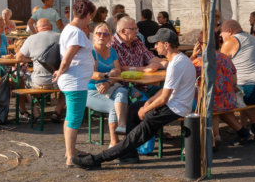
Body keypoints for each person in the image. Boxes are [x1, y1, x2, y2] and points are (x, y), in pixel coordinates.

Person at [73, 28, 196, 169]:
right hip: (174, 104)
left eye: (157, 43)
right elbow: (165, 90)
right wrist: (148, 102)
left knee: (136, 133)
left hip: (175, 108)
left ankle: (95, 160)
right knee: (133, 108)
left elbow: (165, 98)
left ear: (166, 45)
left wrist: (147, 109)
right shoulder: (180, 60)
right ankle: (129, 154)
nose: (155, 46)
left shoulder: (175, 65)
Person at [53, 0, 96, 168]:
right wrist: (59, 71)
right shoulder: (77, 32)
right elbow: (68, 58)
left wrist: (61, 71)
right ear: (88, 15)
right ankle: (70, 156)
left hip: (73, 80)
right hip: (75, 82)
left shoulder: (68, 29)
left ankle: (70, 150)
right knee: (75, 120)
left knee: (70, 117)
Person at [190, 31, 250, 152]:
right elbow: (234, 80)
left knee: (211, 104)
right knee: (216, 105)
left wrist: (192, 56)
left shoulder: (198, 62)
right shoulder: (225, 58)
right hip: (229, 100)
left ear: (200, 45)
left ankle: (213, 138)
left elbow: (185, 75)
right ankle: (222, 136)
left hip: (207, 102)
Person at [220, 19, 255, 142]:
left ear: (230, 31)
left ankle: (242, 132)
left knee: (221, 101)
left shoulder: (230, 42)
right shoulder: (253, 39)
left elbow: (220, 68)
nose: (220, 35)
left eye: (221, 32)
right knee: (242, 92)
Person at [86, 23, 130, 146]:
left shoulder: (112, 51)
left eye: (105, 34)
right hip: (91, 90)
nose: (102, 36)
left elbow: (118, 73)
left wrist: (108, 82)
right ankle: (114, 143)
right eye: (99, 33)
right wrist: (107, 75)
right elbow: (92, 74)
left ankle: (122, 124)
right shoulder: (91, 51)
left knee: (123, 91)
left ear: (109, 37)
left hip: (109, 86)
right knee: (113, 108)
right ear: (94, 36)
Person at [16, 18, 62, 122]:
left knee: (24, 80)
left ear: (36, 29)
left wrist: (33, 59)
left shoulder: (31, 39)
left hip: (38, 82)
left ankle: (37, 115)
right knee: (67, 85)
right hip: (58, 81)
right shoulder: (60, 36)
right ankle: (57, 112)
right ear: (51, 27)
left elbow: (18, 58)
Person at [112, 17, 165, 81]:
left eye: (136, 29)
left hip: (143, 82)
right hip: (126, 85)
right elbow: (121, 68)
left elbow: (150, 57)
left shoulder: (137, 41)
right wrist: (144, 69)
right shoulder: (113, 44)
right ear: (123, 31)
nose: (137, 32)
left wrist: (170, 65)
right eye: (133, 29)